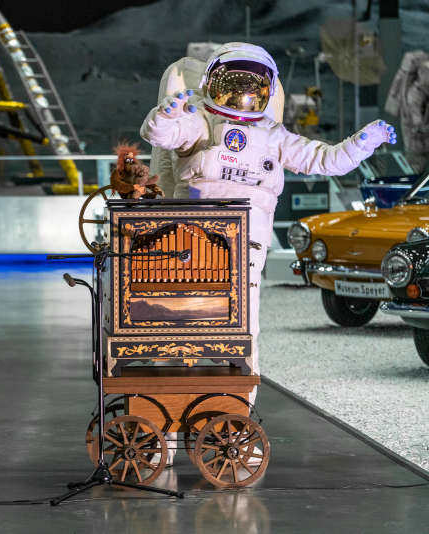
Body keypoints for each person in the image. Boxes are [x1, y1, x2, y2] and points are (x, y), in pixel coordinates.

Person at [140, 41, 396, 461]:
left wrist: (363, 142)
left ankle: (232, 432)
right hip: (188, 245)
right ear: (211, 84)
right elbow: (161, 135)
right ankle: (163, 431)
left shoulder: (274, 136)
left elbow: (326, 160)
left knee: (243, 335)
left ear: (266, 91)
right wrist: (168, 113)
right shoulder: (200, 122)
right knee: (179, 331)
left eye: (251, 87)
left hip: (245, 248)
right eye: (232, 85)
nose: (241, 96)